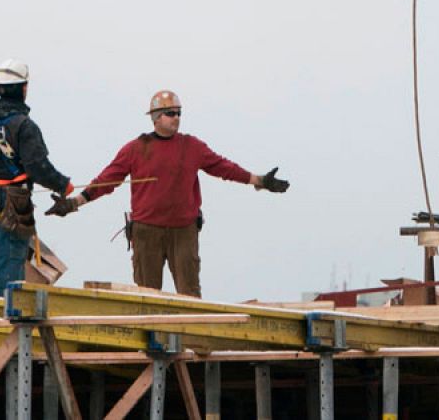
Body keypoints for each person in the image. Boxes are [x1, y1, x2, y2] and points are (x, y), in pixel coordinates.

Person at [45, 89, 288, 297]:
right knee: (148, 297)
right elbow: (106, 181)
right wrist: (74, 203)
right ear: (156, 118)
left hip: (183, 232)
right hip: (146, 233)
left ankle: (194, 345)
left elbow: (223, 167)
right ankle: (153, 349)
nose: (177, 118)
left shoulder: (192, 146)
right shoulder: (136, 149)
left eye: (179, 113)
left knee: (190, 295)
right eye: (171, 113)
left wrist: (259, 180)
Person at [0, 59, 76, 295]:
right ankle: (7, 312)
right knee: (11, 256)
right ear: (24, 88)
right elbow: (37, 166)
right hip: (13, 200)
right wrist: (63, 184)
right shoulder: (24, 126)